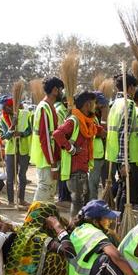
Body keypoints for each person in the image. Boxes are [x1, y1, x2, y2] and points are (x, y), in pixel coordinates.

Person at [5, 201, 75, 275]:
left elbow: (12, 225)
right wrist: (57, 227)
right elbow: (70, 252)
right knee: (58, 257)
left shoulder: (24, 229)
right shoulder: (40, 238)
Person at [54, 91, 103, 219]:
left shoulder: (88, 121)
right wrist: (72, 149)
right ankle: (74, 228)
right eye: (93, 103)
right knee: (77, 202)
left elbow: (94, 130)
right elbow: (57, 134)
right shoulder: (74, 120)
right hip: (74, 168)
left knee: (82, 201)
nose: (95, 106)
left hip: (82, 167)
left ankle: (79, 226)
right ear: (87, 105)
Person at [106, 75, 138, 213]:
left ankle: (118, 217)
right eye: (134, 88)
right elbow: (124, 133)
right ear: (130, 88)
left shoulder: (115, 103)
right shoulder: (128, 104)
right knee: (125, 189)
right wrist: (124, 162)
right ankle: (121, 219)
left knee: (123, 186)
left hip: (114, 152)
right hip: (126, 155)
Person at [30, 77, 63, 202]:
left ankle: (46, 220)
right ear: (55, 90)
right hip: (46, 159)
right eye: (60, 90)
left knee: (50, 192)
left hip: (49, 158)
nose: (62, 93)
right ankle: (33, 219)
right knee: (44, 189)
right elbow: (46, 140)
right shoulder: (44, 108)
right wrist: (53, 165)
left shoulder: (50, 107)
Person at [0, 95, 32, 208]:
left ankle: (21, 199)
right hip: (10, 151)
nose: (4, 110)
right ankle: (11, 201)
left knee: (22, 175)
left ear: (13, 106)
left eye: (6, 107)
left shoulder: (26, 114)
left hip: (23, 150)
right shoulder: (3, 118)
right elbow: (5, 136)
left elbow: (30, 130)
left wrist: (22, 134)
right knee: (10, 177)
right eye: (3, 107)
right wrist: (12, 125)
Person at [88, 92, 109, 200]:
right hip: (95, 154)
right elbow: (102, 132)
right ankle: (92, 203)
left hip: (101, 153)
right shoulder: (90, 116)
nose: (102, 108)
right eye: (101, 105)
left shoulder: (96, 116)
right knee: (93, 181)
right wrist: (105, 116)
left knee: (98, 180)